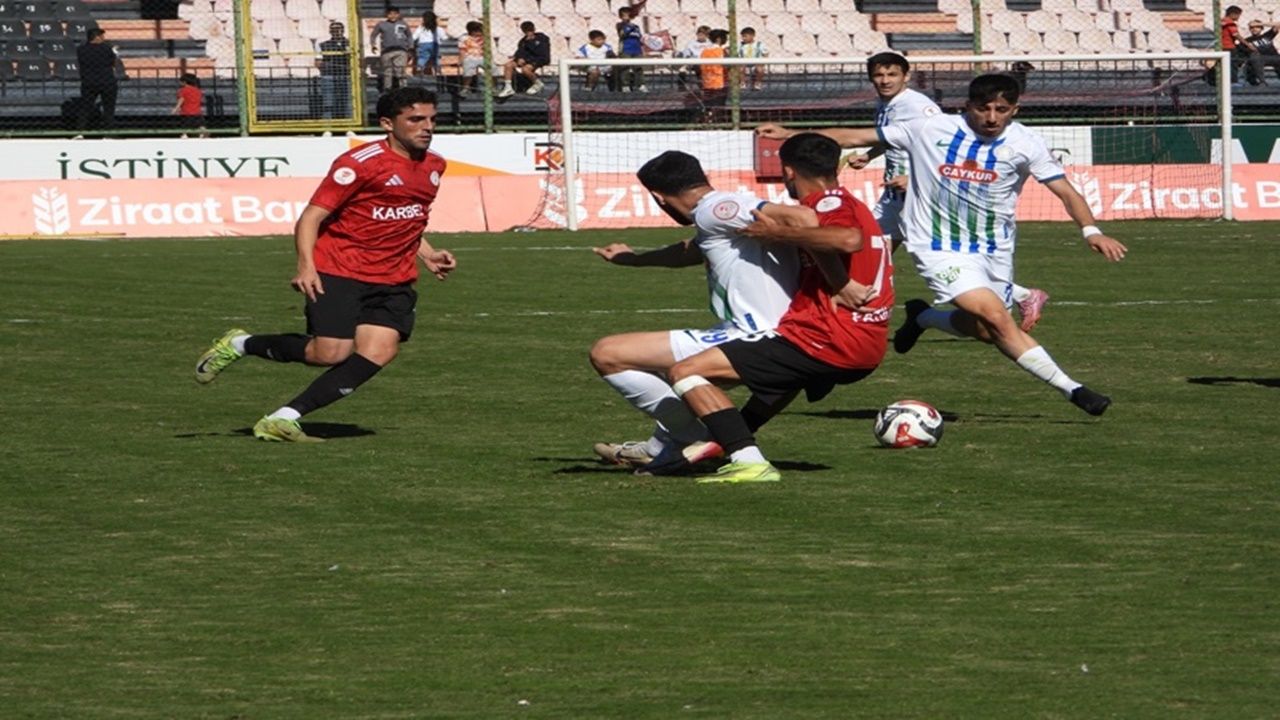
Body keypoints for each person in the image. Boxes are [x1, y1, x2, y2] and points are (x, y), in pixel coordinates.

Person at [758, 74, 1127, 417]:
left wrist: (1090, 230)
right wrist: (791, 131)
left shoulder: (1026, 143)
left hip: (994, 249)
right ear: (967, 106)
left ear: (1015, 110)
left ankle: (923, 317)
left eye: (1001, 110)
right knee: (997, 317)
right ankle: (1074, 389)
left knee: (986, 331)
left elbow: (1064, 190)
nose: (991, 117)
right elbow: (855, 136)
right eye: (983, 108)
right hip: (937, 247)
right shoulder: (930, 128)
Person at [194, 87, 457, 443]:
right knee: (329, 353)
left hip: (394, 278)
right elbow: (311, 218)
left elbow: (408, 218)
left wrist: (426, 253)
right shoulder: (358, 165)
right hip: (340, 269)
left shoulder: (434, 166)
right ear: (387, 124)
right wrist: (306, 266)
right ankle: (241, 344)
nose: (427, 127)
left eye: (431, 119)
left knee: (380, 350)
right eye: (415, 120)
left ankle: (283, 418)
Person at [590, 150, 876, 473]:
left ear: (658, 197)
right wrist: (634, 258)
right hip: (768, 330)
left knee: (608, 353)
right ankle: (662, 446)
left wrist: (840, 282)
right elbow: (691, 251)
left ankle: (692, 437)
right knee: (666, 369)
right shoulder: (713, 215)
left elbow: (804, 220)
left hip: (757, 333)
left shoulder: (718, 208)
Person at [666, 133, 895, 483]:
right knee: (774, 380)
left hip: (829, 339)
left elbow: (847, 239)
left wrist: (777, 237)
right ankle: (720, 441)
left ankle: (744, 458)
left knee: (686, 371)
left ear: (787, 171)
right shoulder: (853, 203)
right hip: (859, 341)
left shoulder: (828, 204)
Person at [844, 52, 1050, 332]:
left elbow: (938, 143)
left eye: (892, 74)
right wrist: (870, 155)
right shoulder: (886, 104)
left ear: (906, 77)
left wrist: (915, 177)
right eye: (879, 75)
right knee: (873, 252)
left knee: (873, 252)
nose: (885, 80)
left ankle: (859, 315)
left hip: (918, 196)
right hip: (897, 196)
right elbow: (895, 136)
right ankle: (1022, 295)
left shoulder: (918, 106)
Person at [75, 28, 122, 130]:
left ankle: (80, 130)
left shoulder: (81, 49)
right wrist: (114, 53)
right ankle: (108, 131)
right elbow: (113, 63)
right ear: (97, 37)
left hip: (89, 82)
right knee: (109, 109)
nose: (103, 38)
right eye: (102, 36)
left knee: (85, 108)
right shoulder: (106, 49)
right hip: (107, 81)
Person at [498, 20, 551, 97]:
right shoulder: (523, 41)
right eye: (526, 31)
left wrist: (526, 59)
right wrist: (519, 58)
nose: (528, 33)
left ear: (534, 29)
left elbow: (541, 53)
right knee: (508, 65)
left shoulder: (542, 38)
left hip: (539, 59)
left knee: (525, 69)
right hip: (526, 60)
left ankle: (537, 83)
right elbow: (519, 52)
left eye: (530, 30)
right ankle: (508, 88)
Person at [370, 6, 412, 91]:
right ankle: (387, 89)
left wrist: (411, 47)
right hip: (386, 51)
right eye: (390, 14)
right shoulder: (381, 24)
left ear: (398, 14)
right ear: (386, 15)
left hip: (401, 50)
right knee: (387, 72)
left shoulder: (403, 24)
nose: (393, 16)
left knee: (400, 70)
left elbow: (409, 36)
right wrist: (373, 45)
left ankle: (403, 89)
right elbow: (373, 35)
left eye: (395, 14)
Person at [316, 21, 351, 120]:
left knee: (348, 101)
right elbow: (318, 62)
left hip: (346, 75)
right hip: (329, 76)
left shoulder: (351, 44)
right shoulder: (322, 45)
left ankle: (349, 125)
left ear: (343, 30)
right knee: (328, 101)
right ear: (330, 31)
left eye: (338, 29)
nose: (336, 32)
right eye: (333, 29)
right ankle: (328, 126)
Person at [1221, 5, 1255, 87]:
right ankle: (1233, 81)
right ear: (1233, 14)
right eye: (1238, 15)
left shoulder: (1222, 21)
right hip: (1229, 46)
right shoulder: (1230, 23)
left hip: (1223, 45)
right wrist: (1248, 45)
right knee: (1233, 64)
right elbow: (1237, 35)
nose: (1239, 17)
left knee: (1228, 64)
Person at [616, 6, 646, 92]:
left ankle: (641, 84)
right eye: (624, 16)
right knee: (625, 67)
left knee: (638, 67)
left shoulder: (636, 26)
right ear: (621, 17)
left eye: (628, 15)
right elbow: (622, 35)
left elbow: (639, 37)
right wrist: (628, 28)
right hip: (626, 48)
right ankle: (625, 85)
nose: (627, 17)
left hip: (636, 49)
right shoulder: (620, 25)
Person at [1243, 19, 1280, 86]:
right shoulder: (1247, 40)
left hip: (1275, 57)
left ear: (1261, 28)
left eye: (1257, 27)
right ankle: (1262, 82)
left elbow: (1278, 24)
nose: (1254, 29)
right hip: (1260, 58)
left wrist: (1260, 24)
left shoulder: (1267, 35)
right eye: (1252, 28)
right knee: (1255, 58)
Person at [676, 25, 713, 89]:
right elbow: (686, 53)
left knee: (700, 66)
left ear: (707, 36)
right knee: (682, 70)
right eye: (699, 34)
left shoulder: (710, 44)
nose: (700, 36)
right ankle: (681, 86)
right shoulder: (691, 43)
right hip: (694, 61)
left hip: (706, 61)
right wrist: (688, 57)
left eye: (703, 35)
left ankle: (702, 83)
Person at [457, 20, 488, 97]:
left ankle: (493, 87)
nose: (481, 33)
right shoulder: (464, 38)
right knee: (468, 70)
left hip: (482, 56)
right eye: (479, 31)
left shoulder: (484, 37)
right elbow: (462, 50)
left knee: (493, 69)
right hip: (469, 57)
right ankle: (466, 88)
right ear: (473, 32)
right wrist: (460, 60)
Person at [413, 11, 448, 77]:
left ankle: (419, 68)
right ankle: (437, 71)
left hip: (423, 44)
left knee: (423, 57)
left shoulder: (421, 28)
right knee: (436, 58)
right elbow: (444, 38)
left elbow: (414, 37)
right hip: (435, 44)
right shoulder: (438, 28)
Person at [171, 72, 204, 137]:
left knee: (184, 126)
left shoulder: (183, 90)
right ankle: (202, 133)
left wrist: (176, 108)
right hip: (197, 112)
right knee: (200, 124)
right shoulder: (198, 90)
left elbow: (181, 100)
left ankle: (184, 135)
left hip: (186, 112)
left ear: (184, 82)